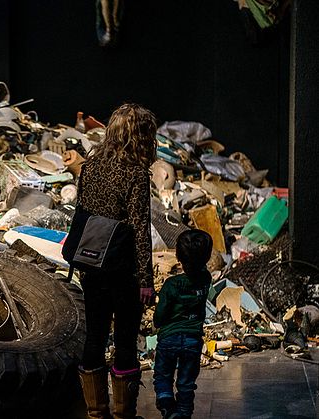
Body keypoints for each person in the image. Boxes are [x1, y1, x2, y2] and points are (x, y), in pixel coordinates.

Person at [75, 103, 157, 419]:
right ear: (140, 137)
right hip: (123, 272)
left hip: (92, 266)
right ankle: (123, 413)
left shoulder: (89, 167)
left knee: (94, 336)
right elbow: (139, 228)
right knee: (124, 340)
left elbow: (83, 215)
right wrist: (146, 280)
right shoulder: (136, 174)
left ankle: (96, 413)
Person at [153, 229, 213, 419]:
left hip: (168, 338)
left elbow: (160, 316)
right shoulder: (206, 279)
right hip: (193, 341)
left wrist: (157, 322)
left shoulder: (171, 284)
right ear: (207, 257)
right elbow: (200, 269)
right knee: (186, 383)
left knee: (163, 376)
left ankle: (168, 407)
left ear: (177, 256)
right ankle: (184, 414)